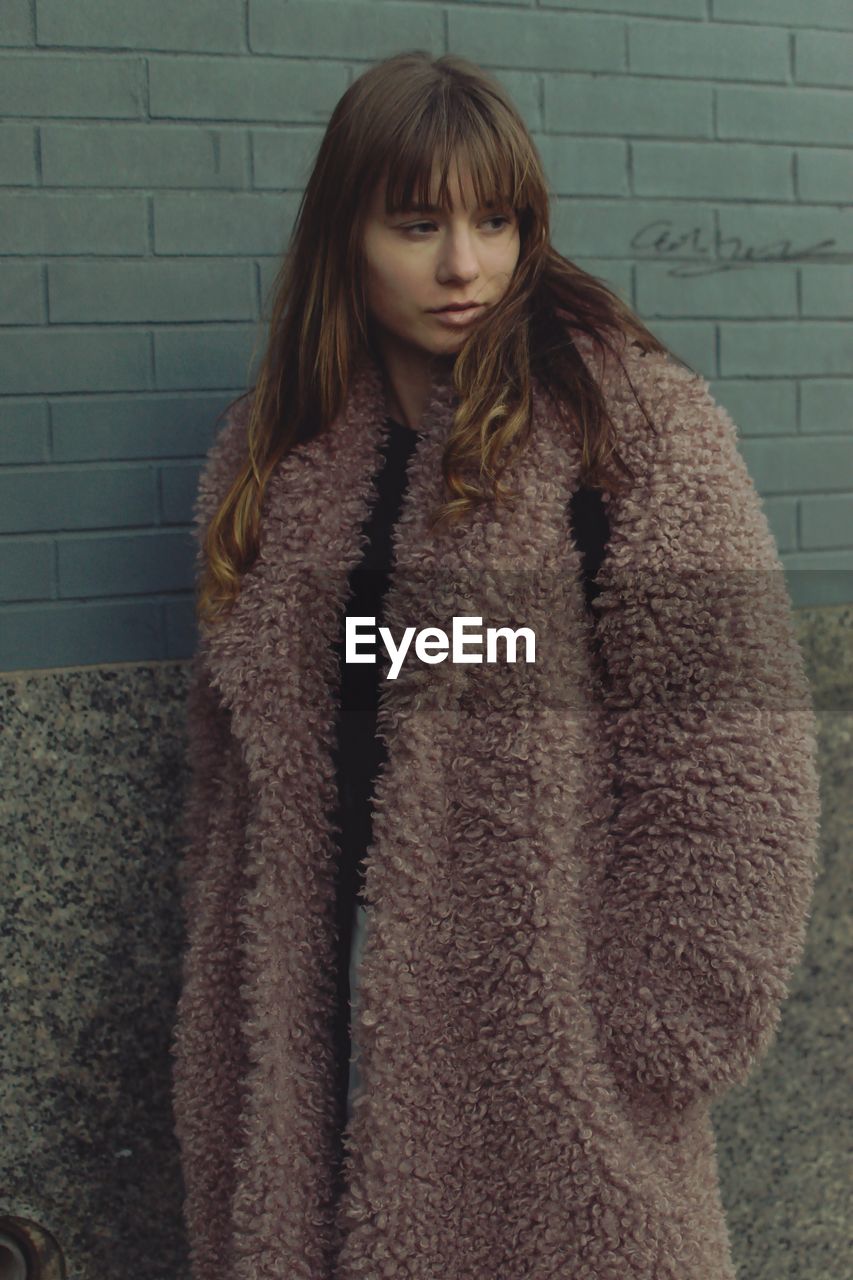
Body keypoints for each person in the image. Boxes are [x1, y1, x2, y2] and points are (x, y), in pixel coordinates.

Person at [170, 51, 821, 1280]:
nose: (463, 265)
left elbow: (738, 769)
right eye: (416, 225)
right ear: (344, 239)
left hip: (544, 1079)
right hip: (318, 1059)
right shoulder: (277, 465)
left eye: (494, 221)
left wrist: (630, 1040)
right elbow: (232, 800)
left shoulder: (634, 438)